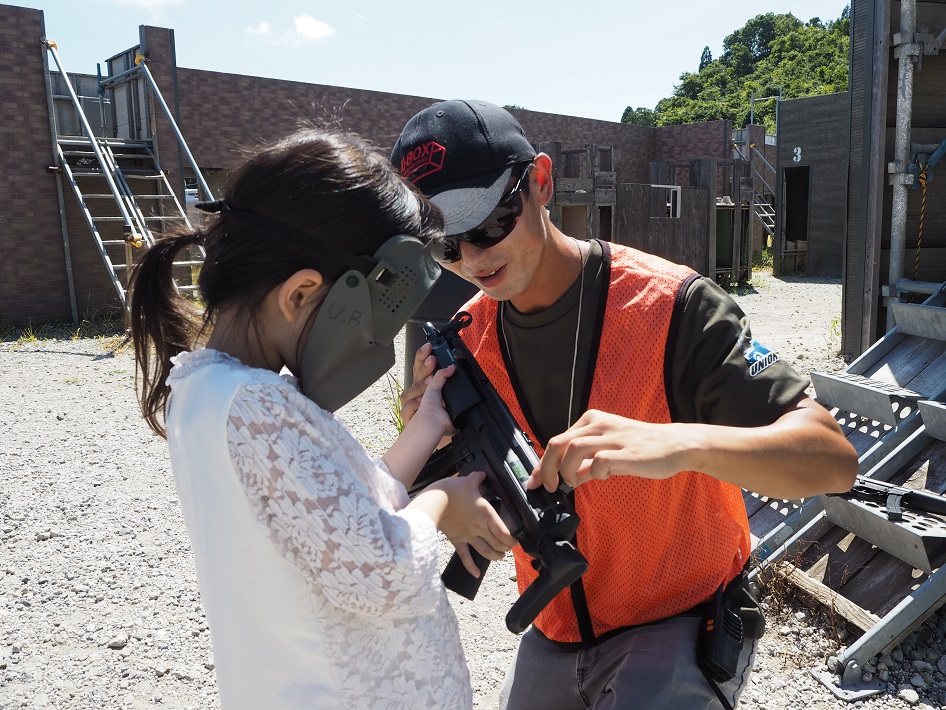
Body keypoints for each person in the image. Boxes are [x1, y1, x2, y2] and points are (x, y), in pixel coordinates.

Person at [392, 100, 858, 709]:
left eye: (490, 223)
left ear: (540, 182)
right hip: (552, 630)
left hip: (680, 621)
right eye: (446, 246)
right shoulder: (463, 338)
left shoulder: (675, 305)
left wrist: (678, 442)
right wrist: (430, 438)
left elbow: (832, 459)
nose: (474, 259)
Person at [129, 127, 515, 710]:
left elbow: (339, 520)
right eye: (373, 315)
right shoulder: (259, 408)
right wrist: (441, 504)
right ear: (301, 293)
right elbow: (382, 570)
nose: (372, 338)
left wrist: (427, 426)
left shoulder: (210, 390)